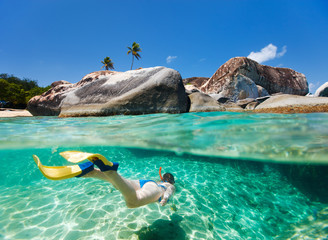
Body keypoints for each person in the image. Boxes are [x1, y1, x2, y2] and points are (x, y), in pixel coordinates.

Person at [33, 152, 176, 208]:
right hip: (155, 188)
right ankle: (110, 170)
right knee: (133, 202)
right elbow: (168, 191)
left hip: (142, 182)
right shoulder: (168, 184)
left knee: (119, 183)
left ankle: (90, 172)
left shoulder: (158, 180)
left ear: (162, 177)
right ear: (171, 180)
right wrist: (165, 199)